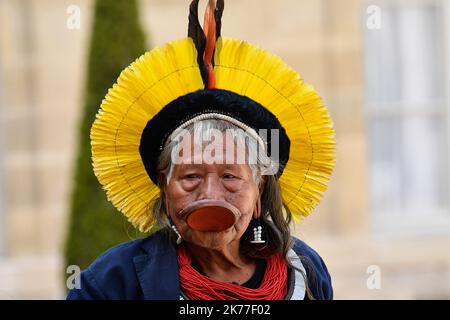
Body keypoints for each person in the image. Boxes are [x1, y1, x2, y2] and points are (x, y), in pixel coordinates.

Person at [67, 0, 336, 300]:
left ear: (259, 190)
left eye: (230, 177)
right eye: (191, 176)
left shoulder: (306, 271)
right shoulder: (113, 283)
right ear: (164, 187)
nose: (210, 194)